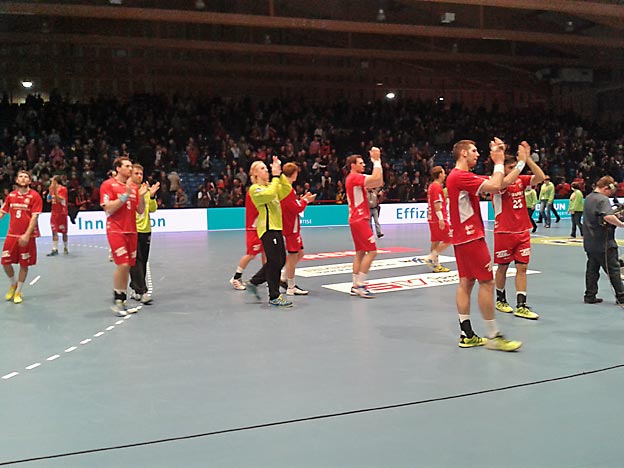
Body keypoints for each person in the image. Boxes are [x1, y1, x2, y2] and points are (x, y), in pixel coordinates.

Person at [446, 138, 522, 351]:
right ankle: (493, 335)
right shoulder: (460, 176)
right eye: (474, 150)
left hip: (462, 238)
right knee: (487, 283)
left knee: (466, 282)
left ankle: (466, 333)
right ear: (463, 154)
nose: (477, 154)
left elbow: (501, 184)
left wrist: (520, 165)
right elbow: (496, 184)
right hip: (471, 237)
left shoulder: (460, 177)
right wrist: (498, 160)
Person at [493, 141, 545, 321]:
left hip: (522, 231)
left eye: (515, 166)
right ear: (504, 169)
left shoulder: (520, 181)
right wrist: (521, 163)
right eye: (511, 167)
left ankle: (521, 304)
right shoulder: (499, 182)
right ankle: (500, 299)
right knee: (503, 266)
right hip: (504, 232)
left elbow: (540, 176)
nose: (515, 170)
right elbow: (504, 182)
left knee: (522, 267)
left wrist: (528, 160)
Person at [100, 157, 148, 316]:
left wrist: (141, 195)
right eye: (127, 166)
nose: (130, 169)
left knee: (128, 266)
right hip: (116, 230)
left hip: (132, 231)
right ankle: (117, 301)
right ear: (118, 168)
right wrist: (124, 195)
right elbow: (108, 209)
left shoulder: (134, 187)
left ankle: (122, 300)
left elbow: (140, 211)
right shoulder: (108, 185)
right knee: (123, 263)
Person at [245, 156, 293, 307]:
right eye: (263, 168)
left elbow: (286, 189)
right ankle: (274, 295)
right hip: (267, 229)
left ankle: (254, 281)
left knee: (280, 260)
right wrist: (276, 176)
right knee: (274, 262)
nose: (266, 171)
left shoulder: (272, 185)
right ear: (255, 174)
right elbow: (271, 194)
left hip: (277, 228)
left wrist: (280, 172)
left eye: (267, 168)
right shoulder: (255, 189)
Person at [345, 147, 384, 299]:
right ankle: (361, 284)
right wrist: (377, 161)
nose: (363, 165)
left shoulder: (354, 178)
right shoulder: (354, 177)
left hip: (356, 218)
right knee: (372, 251)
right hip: (360, 218)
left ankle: (355, 285)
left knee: (360, 252)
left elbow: (378, 180)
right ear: (353, 165)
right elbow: (376, 177)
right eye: (360, 163)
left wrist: (377, 166)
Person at [0, 170, 43, 304]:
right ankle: (13, 284)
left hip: (27, 236)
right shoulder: (11, 196)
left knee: (24, 264)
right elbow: (2, 212)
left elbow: (34, 217)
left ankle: (18, 291)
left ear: (30, 181)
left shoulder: (35, 196)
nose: (23, 179)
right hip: (12, 235)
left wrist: (27, 234)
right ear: (17, 180)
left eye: (26, 177)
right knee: (5, 262)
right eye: (21, 177)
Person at [582, 176, 624, 305]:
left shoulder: (589, 198)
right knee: (614, 270)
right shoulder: (602, 199)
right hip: (604, 242)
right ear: (607, 188)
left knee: (592, 270)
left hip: (590, 241)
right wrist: (621, 224)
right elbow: (608, 216)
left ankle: (590, 295)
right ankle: (621, 296)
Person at [279, 162, 317, 296]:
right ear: (294, 174)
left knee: (299, 254)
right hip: (291, 228)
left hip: (293, 227)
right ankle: (290, 286)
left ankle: (284, 277)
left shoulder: (287, 188)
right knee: (293, 255)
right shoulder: (288, 190)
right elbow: (296, 208)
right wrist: (306, 201)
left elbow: (293, 205)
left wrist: (302, 200)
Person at [128, 164, 160, 305]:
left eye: (141, 174)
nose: (139, 176)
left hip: (146, 230)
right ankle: (142, 290)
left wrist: (151, 196)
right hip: (132, 230)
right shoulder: (128, 191)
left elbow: (152, 210)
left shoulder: (145, 191)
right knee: (136, 262)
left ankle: (135, 288)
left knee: (143, 261)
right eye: (136, 173)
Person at [229, 190, 265, 290]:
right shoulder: (254, 191)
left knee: (266, 253)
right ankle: (236, 277)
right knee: (251, 254)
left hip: (262, 227)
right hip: (254, 228)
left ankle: (267, 277)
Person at [423, 166, 451, 273]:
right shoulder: (436, 187)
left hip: (432, 218)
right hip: (437, 218)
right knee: (449, 239)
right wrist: (441, 219)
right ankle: (431, 257)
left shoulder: (432, 186)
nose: (445, 175)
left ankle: (435, 264)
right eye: (443, 173)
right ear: (439, 175)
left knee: (435, 241)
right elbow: (436, 204)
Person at [46, 175, 69, 256]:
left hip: (62, 213)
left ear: (55, 181)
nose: (51, 182)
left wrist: (55, 192)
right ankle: (55, 249)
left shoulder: (63, 189)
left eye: (52, 180)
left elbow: (60, 200)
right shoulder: (51, 189)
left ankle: (65, 247)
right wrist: (49, 192)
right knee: (54, 231)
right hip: (54, 213)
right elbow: (48, 200)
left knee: (64, 232)